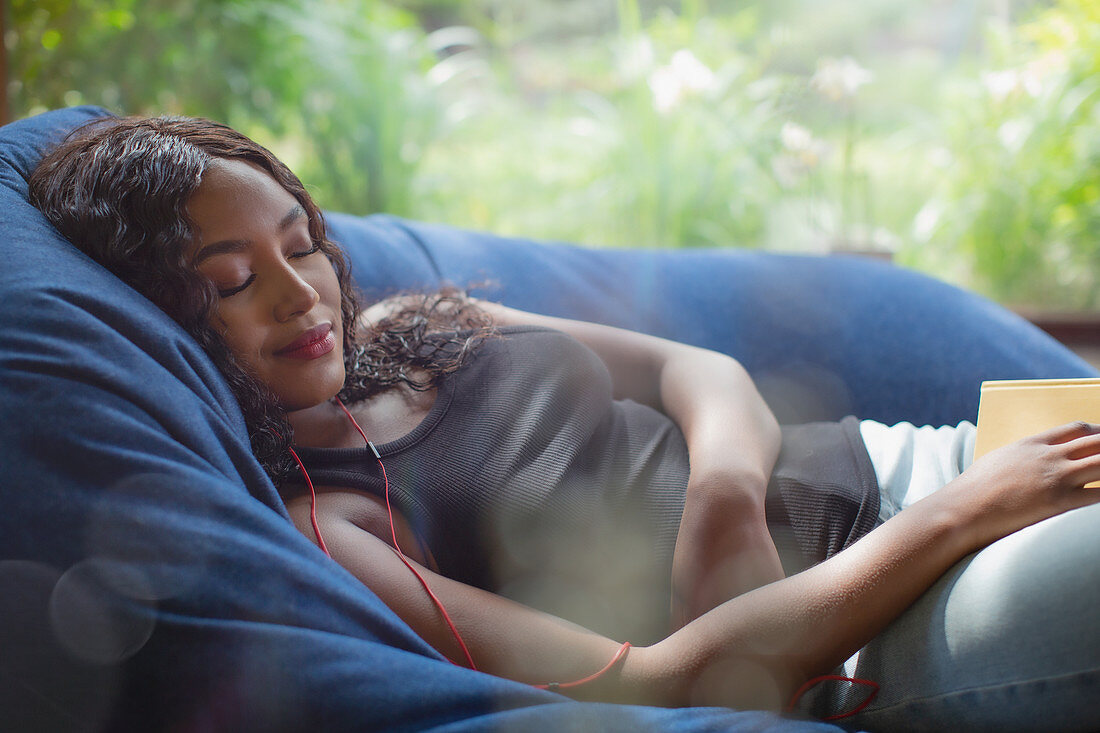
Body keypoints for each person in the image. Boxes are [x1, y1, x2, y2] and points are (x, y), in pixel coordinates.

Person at [29, 115, 1100, 726]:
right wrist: (959, 518)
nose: (298, 293)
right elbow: (657, 684)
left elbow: (697, 367)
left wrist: (721, 496)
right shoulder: (334, 529)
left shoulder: (408, 321)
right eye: (227, 282)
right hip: (879, 619)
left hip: (909, 461)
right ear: (164, 317)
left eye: (299, 240)